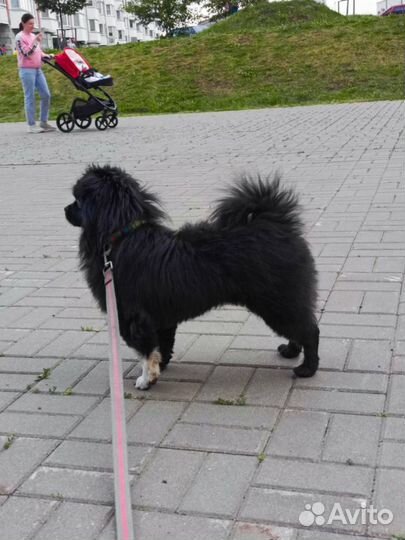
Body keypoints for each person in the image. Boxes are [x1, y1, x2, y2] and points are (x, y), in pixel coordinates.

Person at [15, 13, 56, 133]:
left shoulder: (33, 35)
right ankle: (31, 126)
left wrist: (48, 56)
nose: (32, 26)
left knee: (46, 94)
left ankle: (43, 122)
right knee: (30, 97)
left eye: (33, 23)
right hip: (26, 70)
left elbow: (38, 52)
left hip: (38, 70)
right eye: (30, 24)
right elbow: (26, 53)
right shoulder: (19, 37)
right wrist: (36, 42)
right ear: (23, 24)